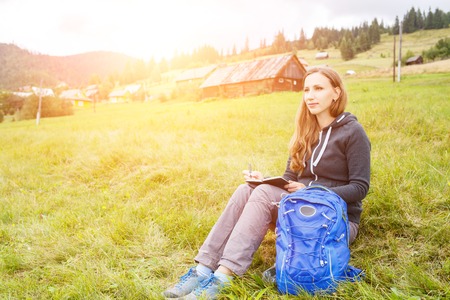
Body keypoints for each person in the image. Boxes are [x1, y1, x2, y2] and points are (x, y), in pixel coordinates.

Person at [162, 67, 371, 300]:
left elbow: (360, 188)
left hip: (333, 221)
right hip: (296, 212)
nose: (310, 95)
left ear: (336, 93)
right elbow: (290, 179)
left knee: (261, 193)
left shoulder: (353, 132)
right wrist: (265, 181)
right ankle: (202, 270)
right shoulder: (305, 130)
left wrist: (310, 192)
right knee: (246, 190)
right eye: (306, 89)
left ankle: (223, 277)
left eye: (319, 89)